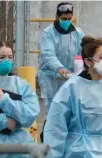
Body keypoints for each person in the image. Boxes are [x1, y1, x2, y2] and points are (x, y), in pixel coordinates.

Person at [38, 2, 84, 141]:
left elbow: (81, 53)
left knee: (69, 110)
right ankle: (47, 140)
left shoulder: (78, 33)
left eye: (69, 19)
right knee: (53, 111)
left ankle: (62, 142)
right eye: (64, 19)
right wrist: (60, 68)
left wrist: (79, 70)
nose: (67, 22)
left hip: (70, 77)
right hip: (51, 78)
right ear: (57, 17)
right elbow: (48, 55)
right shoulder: (48, 34)